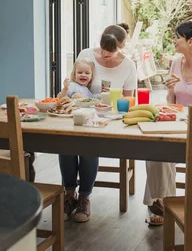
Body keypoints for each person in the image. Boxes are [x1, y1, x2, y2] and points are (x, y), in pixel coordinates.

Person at [144, 20, 192, 225]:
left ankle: (162, 204)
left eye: (178, 37)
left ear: (191, 41)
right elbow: (172, 101)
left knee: (164, 151)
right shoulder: (176, 63)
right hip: (175, 123)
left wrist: (180, 118)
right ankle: (161, 202)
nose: (174, 41)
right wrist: (169, 92)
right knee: (153, 148)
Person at [59, 25, 137, 223]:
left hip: (107, 120)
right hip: (77, 116)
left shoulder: (128, 66)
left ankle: (84, 196)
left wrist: (111, 108)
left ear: (121, 47)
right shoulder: (86, 54)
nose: (104, 54)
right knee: (64, 145)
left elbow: (129, 100)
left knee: (88, 147)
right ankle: (69, 195)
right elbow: (73, 84)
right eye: (102, 49)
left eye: (110, 51)